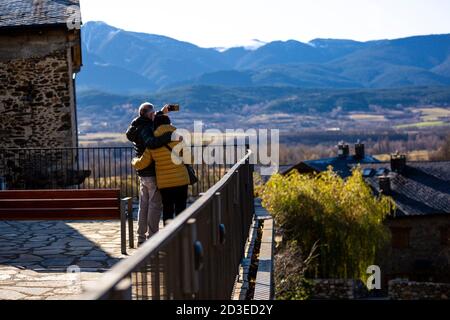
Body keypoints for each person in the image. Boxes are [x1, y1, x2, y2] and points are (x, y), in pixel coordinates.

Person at [126, 102, 173, 246]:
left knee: (144, 205)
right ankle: (152, 239)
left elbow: (149, 118)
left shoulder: (136, 126)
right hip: (151, 172)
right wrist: (168, 137)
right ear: (149, 115)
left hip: (143, 173)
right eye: (153, 114)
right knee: (154, 205)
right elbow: (151, 143)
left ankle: (141, 237)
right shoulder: (146, 128)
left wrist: (161, 112)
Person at [132, 114, 189, 226]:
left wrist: (133, 161)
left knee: (167, 210)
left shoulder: (152, 144)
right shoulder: (178, 139)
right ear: (169, 124)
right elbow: (189, 159)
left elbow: (142, 163)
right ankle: (182, 236)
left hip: (165, 183)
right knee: (181, 210)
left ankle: (168, 237)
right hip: (181, 180)